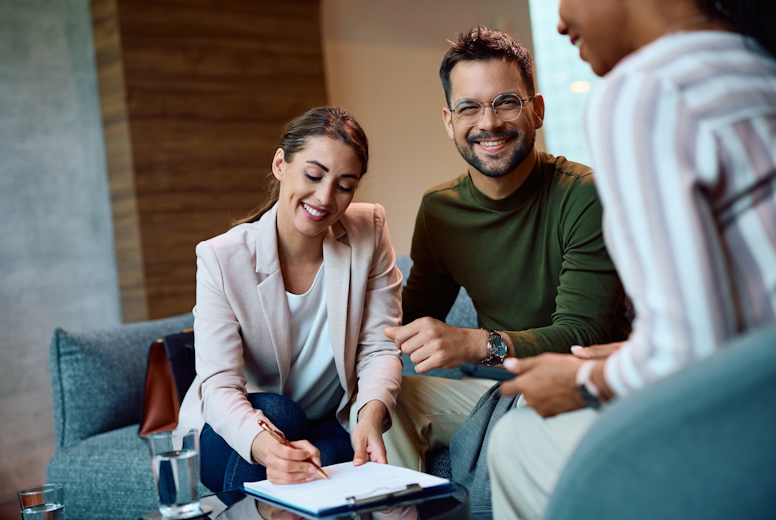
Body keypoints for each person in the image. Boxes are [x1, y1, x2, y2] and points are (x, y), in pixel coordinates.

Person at [487, 1, 776, 519]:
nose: (557, 21)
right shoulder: (755, 65)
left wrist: (582, 381)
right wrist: (629, 355)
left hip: (750, 430)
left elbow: (690, 354)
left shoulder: (645, 90)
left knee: (519, 437)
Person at [382, 27, 631, 517]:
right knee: (383, 402)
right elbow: (408, 320)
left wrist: (477, 343)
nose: (488, 123)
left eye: (506, 102)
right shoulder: (439, 210)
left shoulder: (583, 194)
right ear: (449, 121)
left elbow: (582, 333)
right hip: (496, 387)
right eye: (469, 108)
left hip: (582, 384)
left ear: (536, 108)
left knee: (522, 417)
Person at [177, 106, 404, 492]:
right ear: (281, 163)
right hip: (234, 429)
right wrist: (268, 449)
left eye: (345, 185)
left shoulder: (370, 230)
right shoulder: (221, 257)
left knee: (325, 458)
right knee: (283, 414)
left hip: (323, 423)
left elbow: (380, 346)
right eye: (313, 175)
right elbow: (219, 387)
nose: (325, 197)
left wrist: (369, 414)